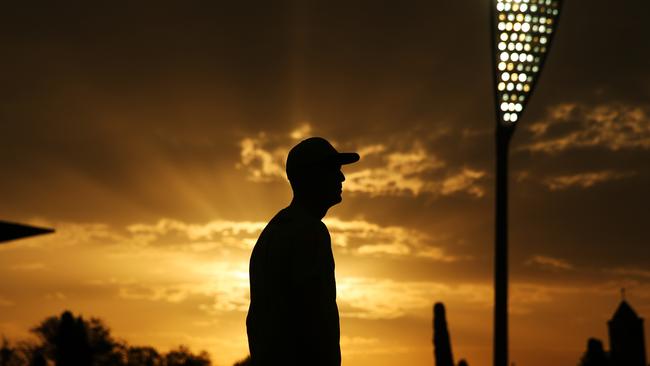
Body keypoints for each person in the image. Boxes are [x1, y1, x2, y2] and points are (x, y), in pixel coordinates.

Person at [246, 137, 359, 366]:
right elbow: (317, 320)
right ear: (312, 176)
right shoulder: (309, 232)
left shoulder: (273, 232)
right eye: (333, 170)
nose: (342, 177)